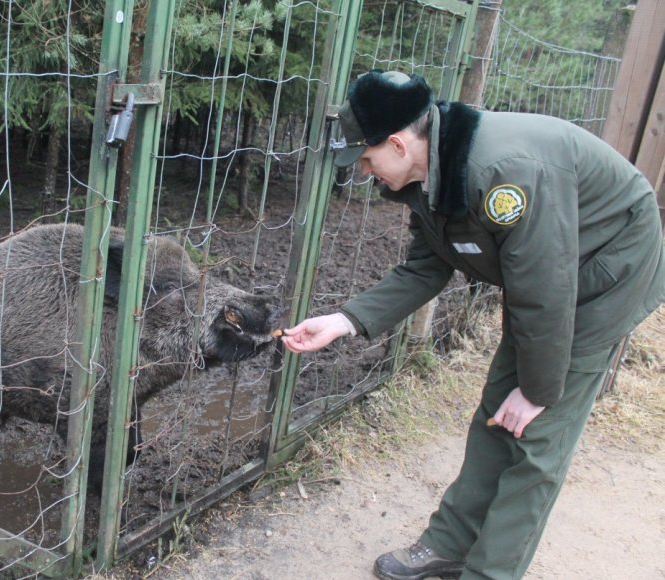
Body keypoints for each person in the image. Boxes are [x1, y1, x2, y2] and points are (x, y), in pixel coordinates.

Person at [281, 69, 665, 580]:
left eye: (367, 161)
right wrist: (345, 320)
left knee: (538, 435)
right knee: (496, 414)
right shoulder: (427, 172)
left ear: (396, 143)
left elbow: (545, 295)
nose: (367, 173)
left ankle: (491, 572)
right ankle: (449, 544)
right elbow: (427, 265)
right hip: (550, 277)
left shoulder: (503, 174)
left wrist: (539, 391)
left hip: (608, 267)